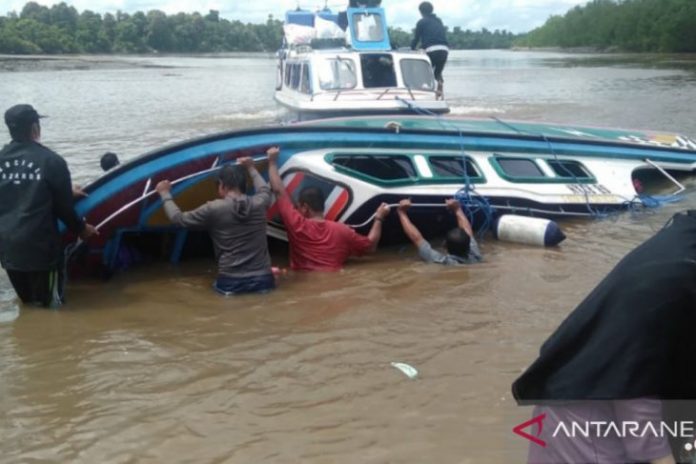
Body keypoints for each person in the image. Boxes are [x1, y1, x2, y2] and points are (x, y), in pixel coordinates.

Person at [510, 211, 696, 463]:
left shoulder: (678, 247)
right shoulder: (675, 280)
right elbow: (642, 426)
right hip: (590, 424)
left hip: (579, 394)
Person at [0, 104, 97, 308]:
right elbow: (64, 209)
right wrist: (82, 229)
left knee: (28, 304)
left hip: (8, 248)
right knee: (51, 306)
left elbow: (13, 189)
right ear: (35, 128)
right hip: (41, 250)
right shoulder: (52, 161)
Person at [155, 157, 275, 295]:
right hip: (264, 279)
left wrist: (165, 193)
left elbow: (178, 219)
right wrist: (251, 167)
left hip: (231, 281)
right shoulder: (260, 203)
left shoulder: (214, 208)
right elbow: (264, 189)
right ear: (245, 186)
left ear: (222, 186)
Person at [267, 146, 390, 271]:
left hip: (304, 280)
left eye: (298, 207)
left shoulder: (297, 225)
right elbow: (371, 247)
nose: (296, 209)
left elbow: (279, 192)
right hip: (334, 280)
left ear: (305, 207)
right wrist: (379, 217)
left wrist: (272, 162)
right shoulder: (342, 231)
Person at [397, 198, 481, 265]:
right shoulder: (476, 256)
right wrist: (458, 209)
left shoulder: (441, 261)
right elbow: (467, 231)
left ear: (444, 245)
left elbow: (417, 239)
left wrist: (401, 212)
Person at [411, 1, 449, 99]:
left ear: (420, 12)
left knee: (423, 73)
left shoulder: (421, 22)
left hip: (431, 49)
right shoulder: (439, 20)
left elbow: (416, 39)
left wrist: (412, 49)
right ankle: (440, 95)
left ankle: (423, 96)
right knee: (437, 73)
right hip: (444, 49)